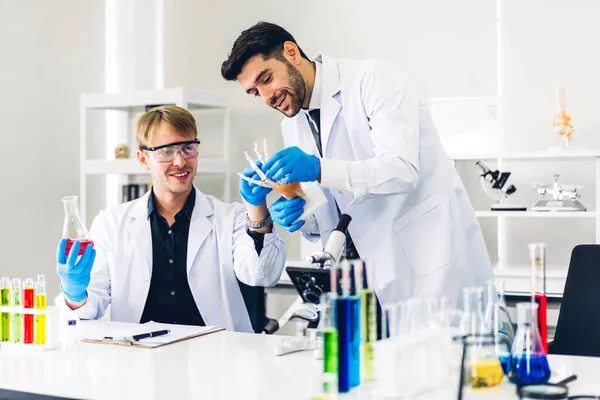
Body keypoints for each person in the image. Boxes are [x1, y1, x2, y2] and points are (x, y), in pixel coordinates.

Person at [221, 22, 493, 306]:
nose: (266, 97)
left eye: (266, 79)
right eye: (254, 92)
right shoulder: (292, 127)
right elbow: (335, 211)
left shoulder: (374, 80)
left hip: (427, 273)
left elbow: (401, 170)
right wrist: (301, 216)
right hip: (357, 285)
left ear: (291, 53)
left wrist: (318, 167)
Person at [56, 106, 286, 332]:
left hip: (214, 357)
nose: (180, 161)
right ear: (143, 159)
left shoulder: (230, 218)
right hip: (138, 358)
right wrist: (74, 293)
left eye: (188, 148)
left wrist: (257, 208)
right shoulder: (111, 223)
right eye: (166, 152)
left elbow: (262, 274)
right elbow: (91, 307)